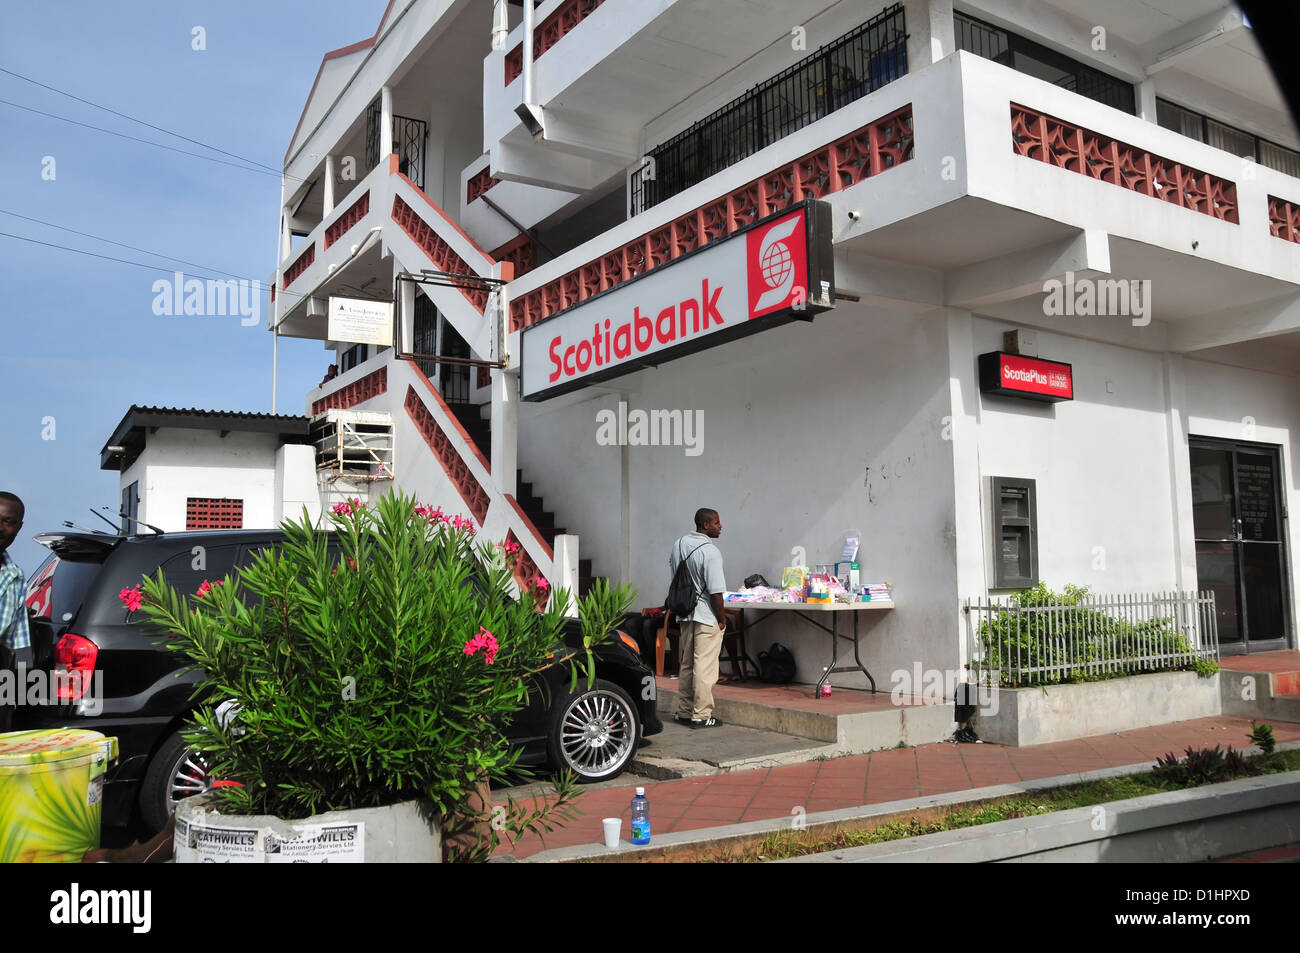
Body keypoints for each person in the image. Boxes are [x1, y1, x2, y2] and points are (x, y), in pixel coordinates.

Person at [668, 508, 727, 729]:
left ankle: (684, 711)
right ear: (705, 525)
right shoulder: (711, 552)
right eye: (717, 523)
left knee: (687, 664)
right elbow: (716, 593)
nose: (720, 526)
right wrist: (721, 619)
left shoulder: (679, 544)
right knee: (704, 666)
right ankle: (701, 715)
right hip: (705, 615)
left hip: (684, 613)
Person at [0, 491, 32, 733]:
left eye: (8, 522)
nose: (1, 527)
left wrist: (11, 706)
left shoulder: (15, 577)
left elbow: (18, 644)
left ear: (18, 528)